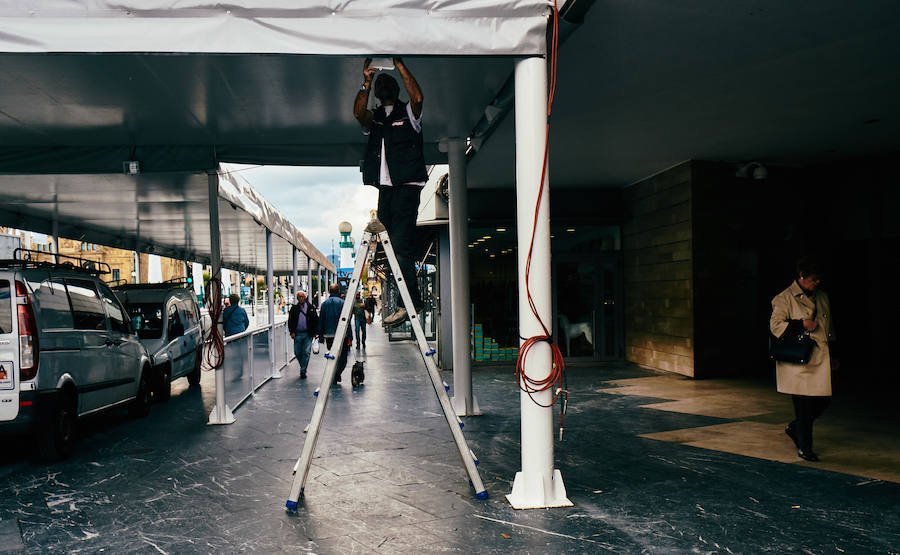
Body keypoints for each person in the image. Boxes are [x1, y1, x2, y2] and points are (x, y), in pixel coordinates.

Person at [354, 57, 426, 328]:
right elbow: (358, 114)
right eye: (378, 85)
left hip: (407, 186)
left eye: (386, 82)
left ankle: (410, 304)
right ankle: (408, 302)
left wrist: (401, 65)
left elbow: (417, 96)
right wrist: (366, 82)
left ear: (395, 90)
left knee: (400, 247)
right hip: (386, 189)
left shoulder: (407, 113)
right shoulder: (375, 120)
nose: (381, 86)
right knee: (389, 250)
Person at [769, 257, 837, 462]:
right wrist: (801, 324)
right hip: (798, 360)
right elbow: (775, 325)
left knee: (824, 400)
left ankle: (796, 428)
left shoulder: (822, 296)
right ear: (802, 277)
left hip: (821, 356)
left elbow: (829, 328)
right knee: (804, 405)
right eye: (813, 279)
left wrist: (834, 355)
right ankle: (805, 447)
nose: (817, 283)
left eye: (818, 279)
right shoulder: (783, 298)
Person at [318, 283, 351, 384]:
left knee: (333, 356)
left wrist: (320, 336)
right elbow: (347, 321)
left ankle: (333, 374)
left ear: (329, 292)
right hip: (342, 335)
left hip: (329, 335)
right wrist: (350, 336)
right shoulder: (343, 303)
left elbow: (321, 321)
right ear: (338, 291)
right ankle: (337, 374)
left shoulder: (324, 304)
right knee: (343, 357)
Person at [288, 291, 319, 380]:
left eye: (302, 296)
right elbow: (290, 321)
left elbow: (315, 320)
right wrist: (292, 332)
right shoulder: (294, 309)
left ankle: (303, 370)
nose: (301, 298)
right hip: (297, 333)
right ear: (297, 298)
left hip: (308, 333)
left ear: (305, 297)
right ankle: (303, 367)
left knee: (306, 352)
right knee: (297, 352)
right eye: (299, 297)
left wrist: (316, 332)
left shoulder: (310, 308)